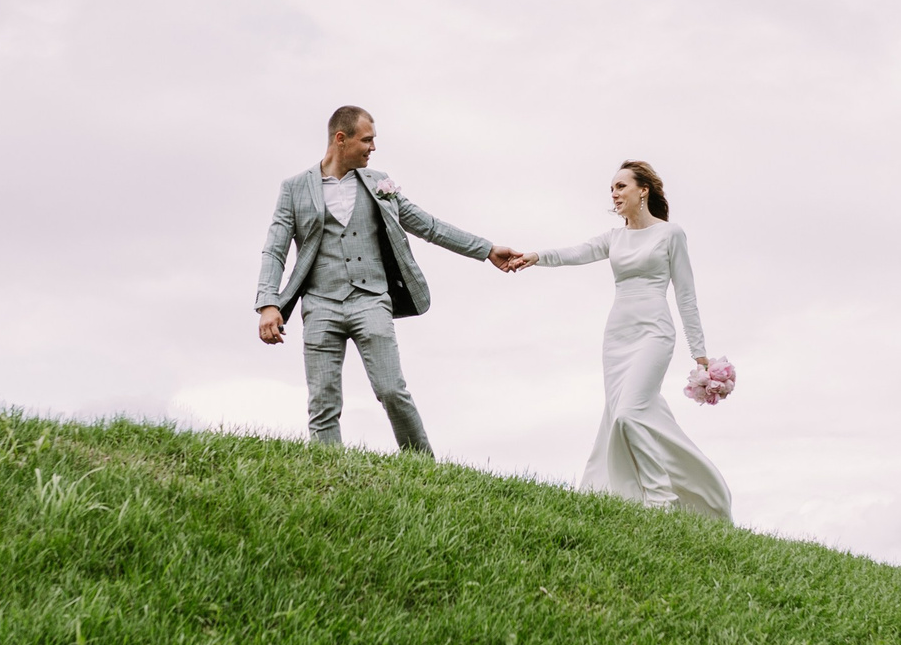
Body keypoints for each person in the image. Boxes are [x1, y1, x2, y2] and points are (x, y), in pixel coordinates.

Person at [256, 106, 525, 453]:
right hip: (320, 303)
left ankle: (423, 466)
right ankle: (328, 472)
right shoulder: (294, 188)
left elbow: (429, 226)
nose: (373, 147)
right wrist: (268, 303)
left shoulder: (379, 184)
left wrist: (486, 250)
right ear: (341, 139)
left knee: (392, 391)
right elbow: (275, 249)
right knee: (322, 402)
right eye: (367, 140)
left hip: (371, 300)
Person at [511, 160, 732, 520]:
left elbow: (686, 295)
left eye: (620, 186)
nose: (614, 194)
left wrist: (700, 354)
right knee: (629, 415)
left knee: (628, 414)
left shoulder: (670, 234)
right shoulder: (614, 238)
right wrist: (536, 256)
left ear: (643, 190)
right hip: (617, 338)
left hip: (654, 333)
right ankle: (665, 496)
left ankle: (660, 499)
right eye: (611, 189)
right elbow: (576, 252)